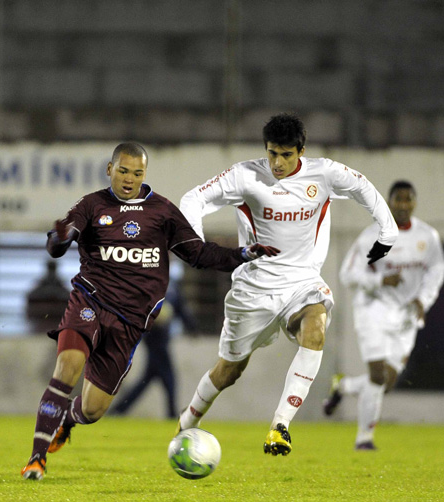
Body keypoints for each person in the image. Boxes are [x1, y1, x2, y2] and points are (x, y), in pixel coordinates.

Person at [21, 141, 280, 480]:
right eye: (123, 171)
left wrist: (242, 255)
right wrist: (59, 238)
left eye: (137, 172)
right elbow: (58, 244)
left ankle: (67, 421)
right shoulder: (91, 205)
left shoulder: (162, 212)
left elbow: (198, 254)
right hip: (90, 302)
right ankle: (36, 459)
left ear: (145, 173)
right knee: (67, 369)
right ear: (109, 170)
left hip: (129, 324)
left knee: (93, 409)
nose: (129, 179)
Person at [175, 112, 398, 456]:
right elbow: (192, 199)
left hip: (302, 282)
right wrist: (198, 247)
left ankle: (280, 426)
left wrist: (389, 232)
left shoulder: (323, 174)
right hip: (253, 289)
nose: (277, 163)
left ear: (301, 151)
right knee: (228, 371)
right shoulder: (245, 175)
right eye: (272, 153)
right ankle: (187, 423)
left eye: (286, 155)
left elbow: (363, 188)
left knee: (316, 327)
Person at [323, 181, 444, 450]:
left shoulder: (427, 237)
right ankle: (364, 440)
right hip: (373, 309)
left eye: (408, 199)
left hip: (406, 316)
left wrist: (423, 300)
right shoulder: (374, 236)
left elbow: (436, 273)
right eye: (398, 199)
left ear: (414, 203)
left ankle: (343, 387)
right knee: (377, 377)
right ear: (389, 203)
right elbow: (348, 274)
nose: (403, 204)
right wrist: (380, 282)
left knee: (386, 384)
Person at [110, 264, 197, 418]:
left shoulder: (172, 287)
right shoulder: (147, 284)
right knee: (169, 378)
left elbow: (180, 308)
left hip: (163, 337)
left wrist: (192, 327)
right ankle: (171, 415)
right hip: (152, 337)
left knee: (148, 379)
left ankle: (118, 411)